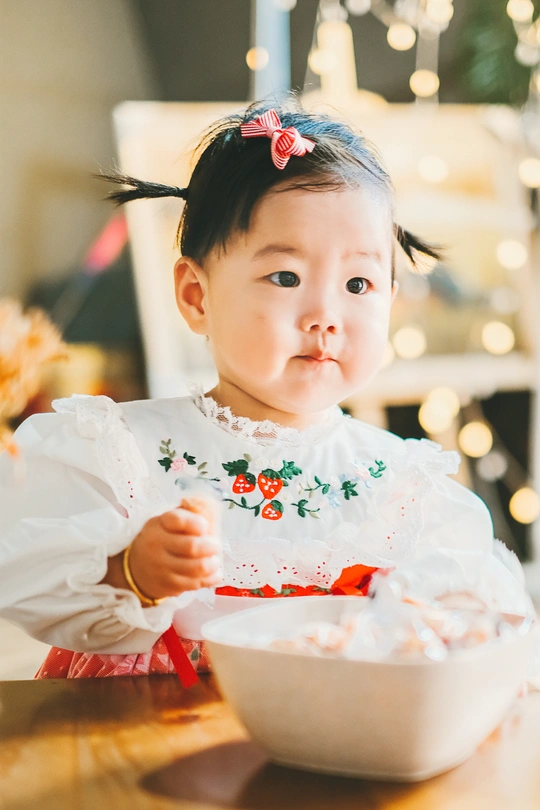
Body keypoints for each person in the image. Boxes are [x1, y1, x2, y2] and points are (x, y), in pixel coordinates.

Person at [0, 98, 532, 679]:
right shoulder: (123, 453)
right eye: (286, 276)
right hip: (156, 718)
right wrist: (129, 570)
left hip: (338, 724)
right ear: (197, 296)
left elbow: (466, 636)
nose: (326, 316)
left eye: (358, 283)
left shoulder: (406, 488)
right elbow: (26, 574)